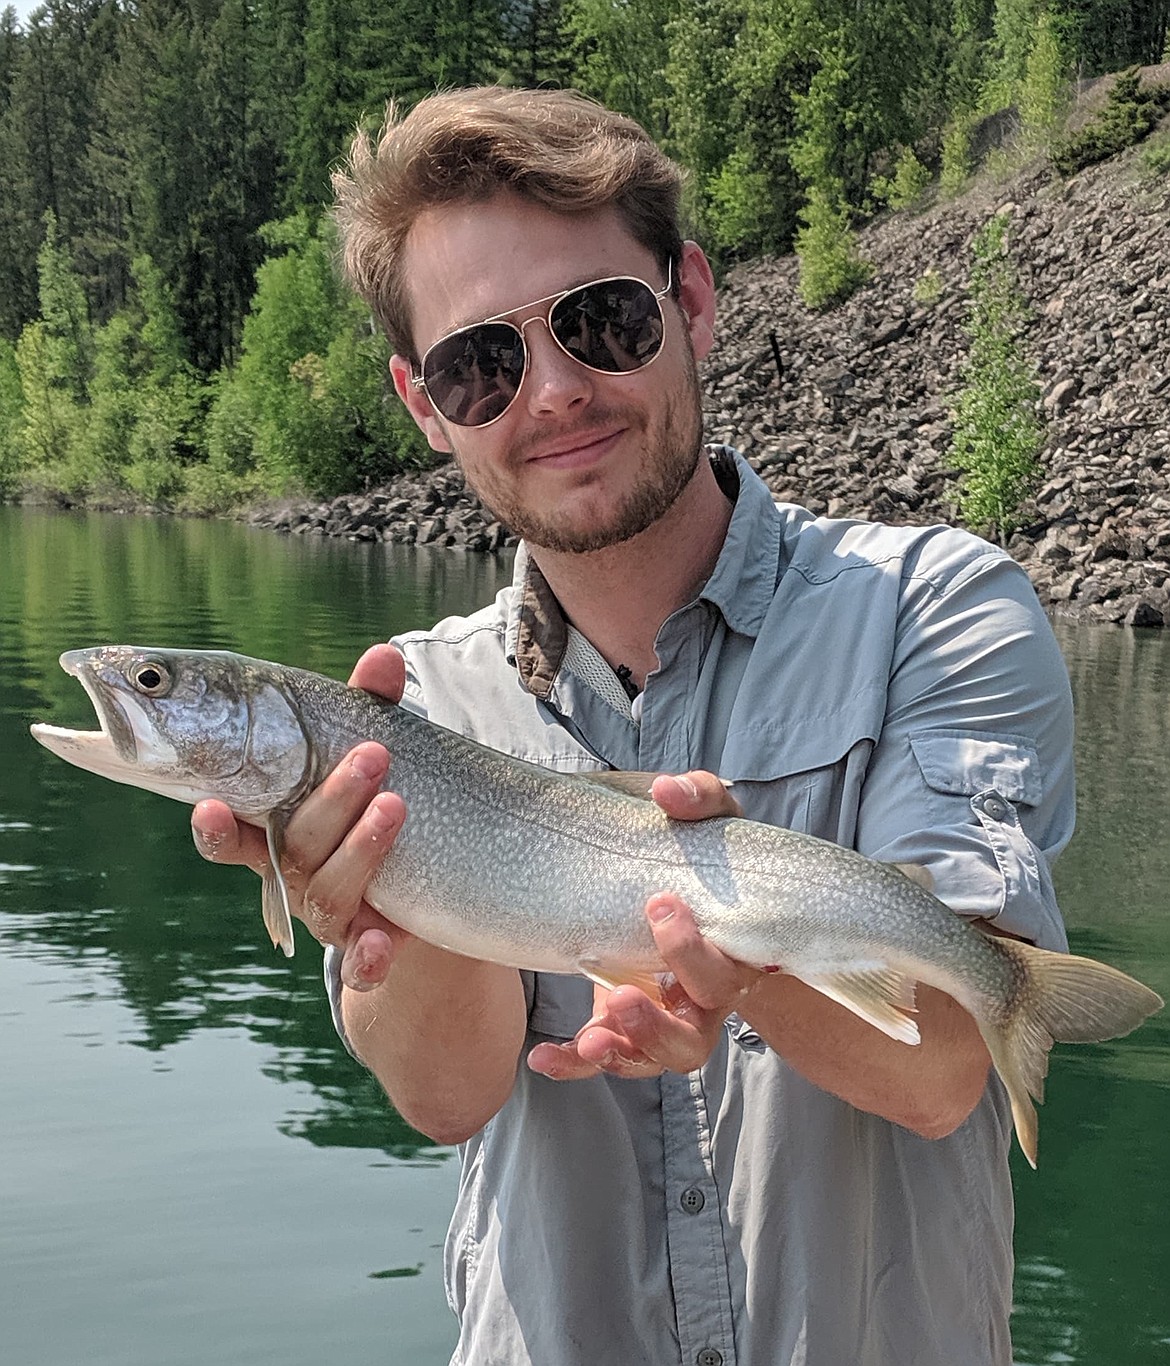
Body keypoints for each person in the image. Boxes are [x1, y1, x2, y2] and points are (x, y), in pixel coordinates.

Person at [192, 87, 1075, 1366]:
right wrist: (379, 900)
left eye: (600, 321)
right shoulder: (407, 711)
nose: (552, 393)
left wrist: (738, 972)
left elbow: (941, 1071)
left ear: (694, 305)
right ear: (424, 404)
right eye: (479, 365)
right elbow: (446, 1097)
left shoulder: (939, 611)